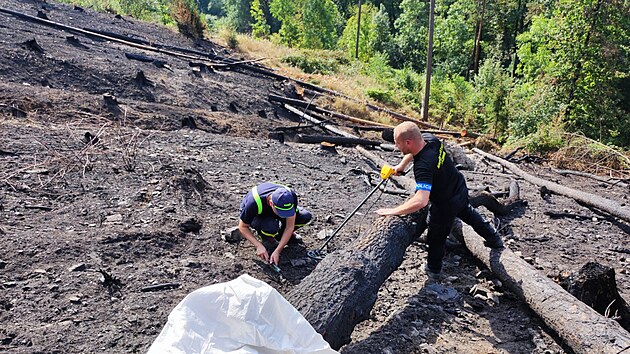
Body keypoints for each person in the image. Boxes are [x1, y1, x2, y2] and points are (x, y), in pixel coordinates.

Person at [375, 122, 503, 277]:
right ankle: (494, 239)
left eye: (398, 143)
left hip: (444, 204)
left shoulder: (423, 166)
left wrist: (392, 211)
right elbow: (413, 151)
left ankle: (433, 269)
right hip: (458, 186)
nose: (395, 146)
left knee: (436, 236)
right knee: (468, 212)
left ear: (408, 142)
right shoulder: (429, 139)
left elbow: (421, 201)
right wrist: (401, 166)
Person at [238, 182, 312, 265]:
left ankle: (280, 236)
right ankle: (267, 237)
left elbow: (289, 226)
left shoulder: (291, 196)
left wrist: (278, 250)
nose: (285, 216)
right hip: (258, 215)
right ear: (271, 203)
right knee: (270, 227)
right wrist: (258, 245)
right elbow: (243, 227)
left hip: (274, 210)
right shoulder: (253, 203)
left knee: (305, 216)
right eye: (281, 212)